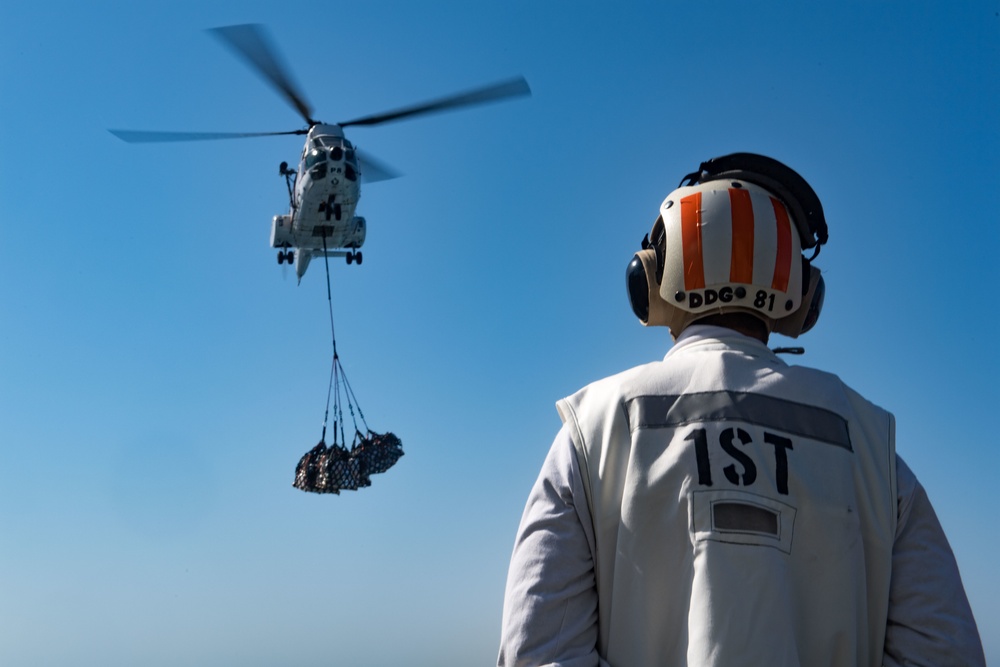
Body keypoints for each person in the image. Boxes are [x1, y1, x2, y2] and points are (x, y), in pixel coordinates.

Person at [497, 153, 985, 667]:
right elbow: (945, 655)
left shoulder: (593, 431)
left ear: (651, 280)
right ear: (800, 294)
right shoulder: (872, 449)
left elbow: (539, 652)